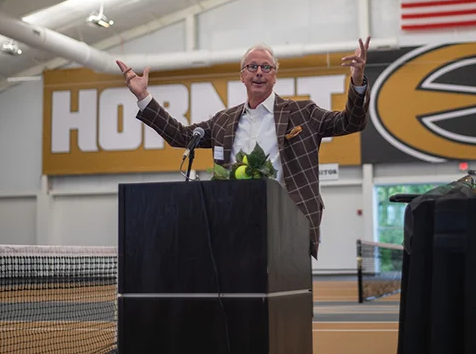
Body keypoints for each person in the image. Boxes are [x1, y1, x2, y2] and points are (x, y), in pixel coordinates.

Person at [116, 37, 371, 259]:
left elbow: (350, 122)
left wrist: (357, 81)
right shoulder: (223, 121)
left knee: (286, 300)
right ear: (242, 76)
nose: (259, 71)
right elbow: (181, 135)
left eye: (266, 67)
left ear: (274, 76)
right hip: (234, 222)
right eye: (252, 66)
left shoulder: (303, 113)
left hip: (289, 222)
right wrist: (143, 98)